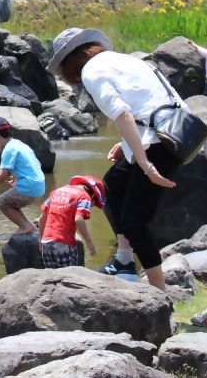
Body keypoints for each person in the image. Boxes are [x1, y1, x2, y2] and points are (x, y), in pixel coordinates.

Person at [48, 28, 180, 290]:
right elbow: (150, 103)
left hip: (158, 144)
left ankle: (159, 292)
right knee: (113, 182)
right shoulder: (126, 61)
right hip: (174, 131)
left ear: (68, 64)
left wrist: (145, 163)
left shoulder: (92, 72)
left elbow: (124, 115)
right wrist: (126, 145)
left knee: (134, 223)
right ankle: (123, 261)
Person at [37, 175, 105, 269]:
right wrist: (89, 243)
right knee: (68, 276)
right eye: (92, 205)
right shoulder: (84, 196)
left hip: (46, 242)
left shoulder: (57, 191)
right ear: (93, 196)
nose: (90, 207)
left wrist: (41, 238)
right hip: (64, 243)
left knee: (51, 277)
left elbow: (41, 219)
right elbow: (79, 219)